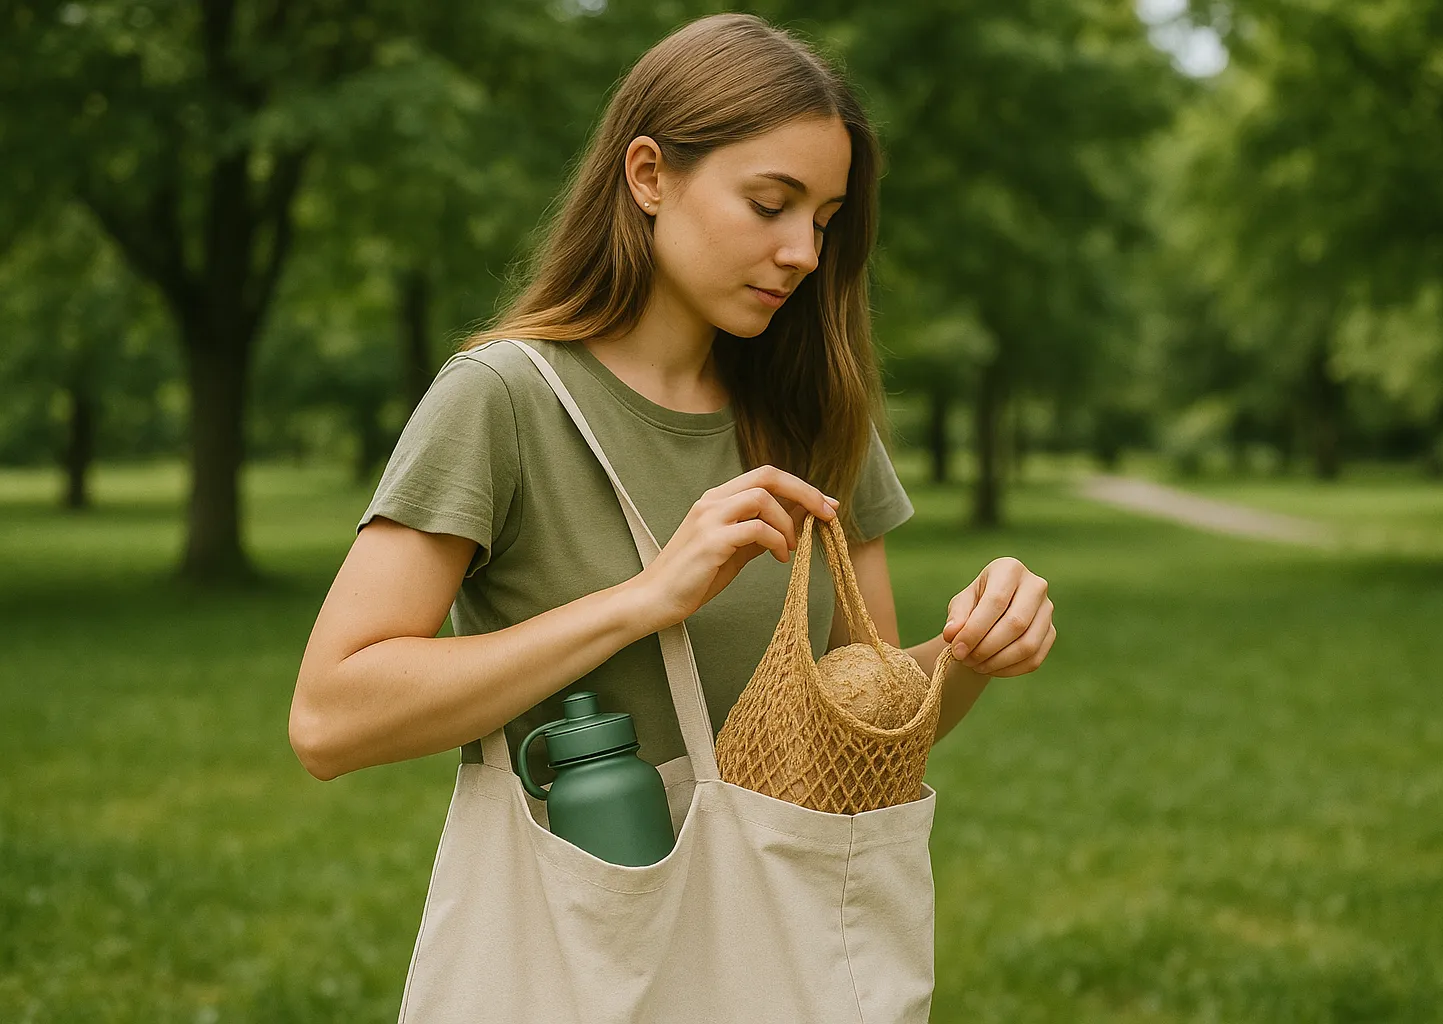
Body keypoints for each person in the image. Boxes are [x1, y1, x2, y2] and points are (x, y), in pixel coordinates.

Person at [288, 12, 1055, 790]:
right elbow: (329, 722)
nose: (804, 253)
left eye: (824, 220)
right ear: (649, 175)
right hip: (583, 910)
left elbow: (870, 725)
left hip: (780, 908)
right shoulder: (504, 398)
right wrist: (645, 600)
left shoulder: (812, 410)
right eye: (769, 204)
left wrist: (974, 650)